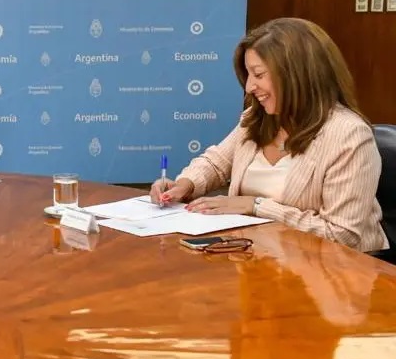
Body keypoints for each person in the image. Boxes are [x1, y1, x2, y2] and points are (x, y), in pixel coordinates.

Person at [150, 17, 388, 253]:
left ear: (296, 74)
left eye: (259, 74)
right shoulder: (257, 117)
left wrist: (256, 206)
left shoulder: (349, 135)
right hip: (254, 256)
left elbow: (342, 235)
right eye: (248, 75)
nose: (249, 87)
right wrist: (185, 184)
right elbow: (216, 162)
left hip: (332, 268)